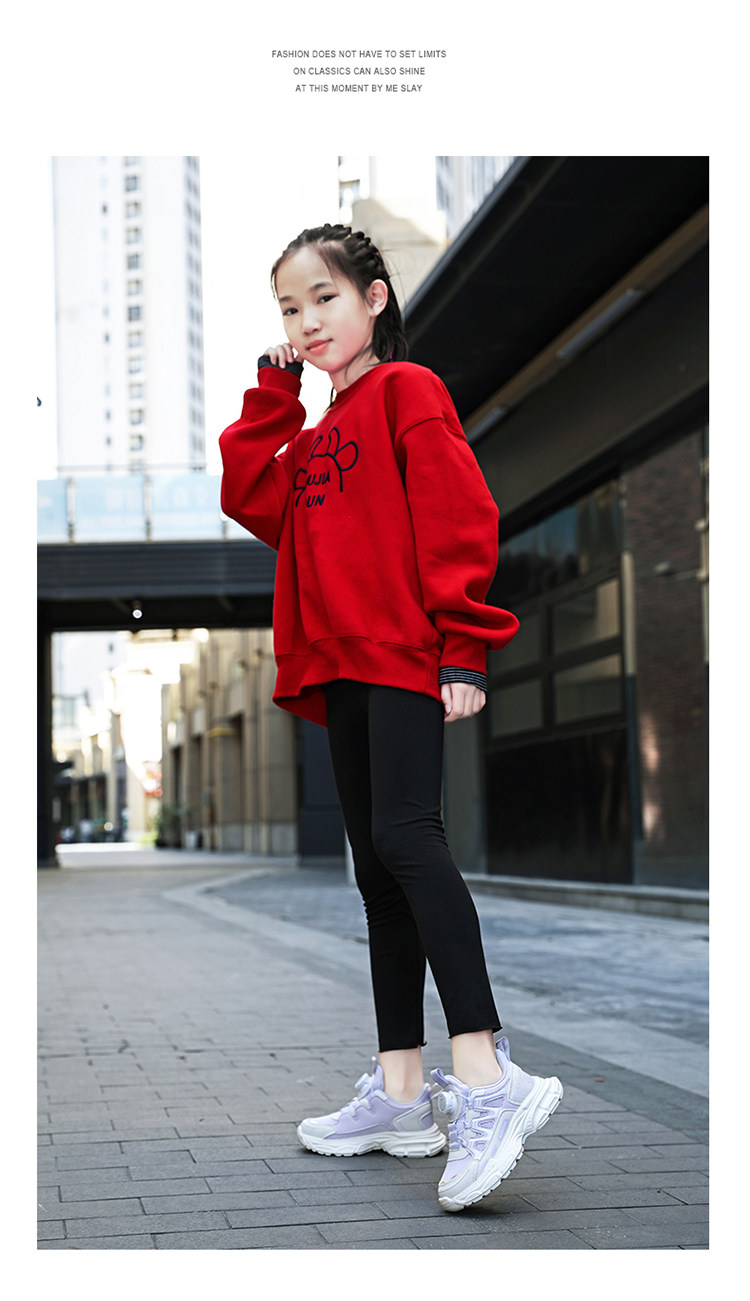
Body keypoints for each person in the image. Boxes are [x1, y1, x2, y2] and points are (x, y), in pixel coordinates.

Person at [219, 223, 563, 1213]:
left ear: (374, 297)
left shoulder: (409, 390)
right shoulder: (314, 432)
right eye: (290, 309)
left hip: (405, 650)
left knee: (410, 841)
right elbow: (251, 494)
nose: (306, 322)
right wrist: (274, 391)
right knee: (377, 872)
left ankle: (488, 1076)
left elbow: (458, 514)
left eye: (323, 298)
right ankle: (404, 1093)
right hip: (340, 662)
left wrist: (463, 644)